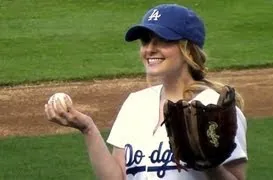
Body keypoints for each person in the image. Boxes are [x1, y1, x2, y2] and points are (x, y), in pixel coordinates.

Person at [44, 3, 248, 180]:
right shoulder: (136, 103)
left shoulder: (216, 108)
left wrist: (209, 165)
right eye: (145, 41)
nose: (149, 49)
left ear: (188, 49)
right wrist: (88, 129)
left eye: (162, 40)